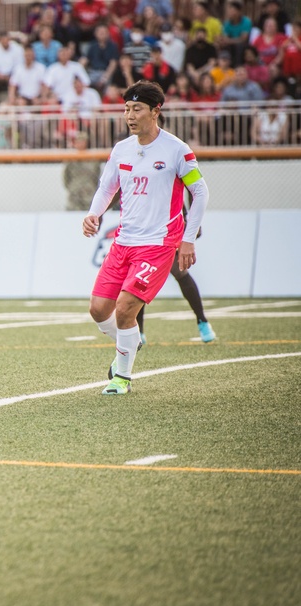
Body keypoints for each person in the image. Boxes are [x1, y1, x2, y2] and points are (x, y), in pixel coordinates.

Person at [81, 80, 209, 395]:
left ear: (155, 111)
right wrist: (94, 213)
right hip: (124, 241)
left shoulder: (177, 150)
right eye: (126, 108)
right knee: (99, 310)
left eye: (136, 108)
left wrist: (188, 239)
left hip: (158, 245)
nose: (129, 115)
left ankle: (121, 377)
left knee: (126, 309)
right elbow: (107, 187)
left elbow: (200, 192)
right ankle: (131, 341)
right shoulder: (121, 149)